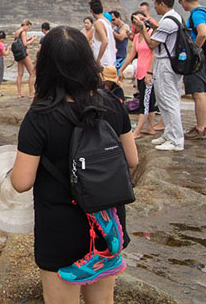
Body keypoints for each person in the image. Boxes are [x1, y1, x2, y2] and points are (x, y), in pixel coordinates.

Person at [10, 26, 138, 303]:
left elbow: (21, 182)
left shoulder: (39, 116)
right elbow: (132, 160)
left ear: (46, 67)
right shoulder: (112, 105)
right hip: (106, 221)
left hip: (60, 227)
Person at [133, 0, 185, 151]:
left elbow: (152, 44)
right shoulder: (176, 17)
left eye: (155, 4)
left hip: (166, 64)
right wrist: (152, 24)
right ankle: (169, 134)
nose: (154, 7)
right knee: (163, 100)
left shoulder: (167, 22)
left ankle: (176, 140)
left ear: (162, 3)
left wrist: (142, 28)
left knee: (169, 101)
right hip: (171, 63)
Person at [119, 12, 162, 138]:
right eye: (133, 22)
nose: (135, 24)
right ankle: (150, 128)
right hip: (140, 72)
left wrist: (150, 72)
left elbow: (154, 53)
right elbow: (131, 54)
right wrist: (121, 69)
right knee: (149, 100)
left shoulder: (151, 34)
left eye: (137, 21)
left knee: (145, 103)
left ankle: (137, 131)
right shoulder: (137, 37)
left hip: (148, 73)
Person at [178, 0, 206, 140]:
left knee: (198, 93)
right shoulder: (204, 11)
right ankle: (201, 126)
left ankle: (200, 128)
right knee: (199, 92)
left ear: (183, 1)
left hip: (198, 58)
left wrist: (194, 51)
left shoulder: (197, 13)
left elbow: (202, 32)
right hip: (203, 57)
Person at [89, 0, 117, 68]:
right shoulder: (107, 21)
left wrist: (98, 59)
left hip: (103, 61)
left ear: (91, 11)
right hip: (110, 59)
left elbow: (105, 41)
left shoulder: (98, 23)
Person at [13, 20, 37, 98]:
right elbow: (25, 44)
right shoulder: (23, 32)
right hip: (23, 54)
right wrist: (32, 40)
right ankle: (31, 93)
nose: (28, 29)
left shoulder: (17, 32)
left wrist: (28, 39)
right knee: (32, 73)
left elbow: (19, 41)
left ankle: (19, 94)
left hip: (18, 54)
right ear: (25, 25)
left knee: (20, 74)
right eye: (28, 27)